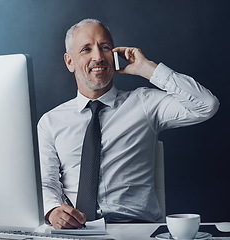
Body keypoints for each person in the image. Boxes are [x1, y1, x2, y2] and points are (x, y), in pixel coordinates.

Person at [37, 18, 219, 229]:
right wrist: (52, 211)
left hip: (137, 229)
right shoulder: (51, 122)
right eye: (86, 49)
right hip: (77, 230)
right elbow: (46, 182)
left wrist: (147, 69)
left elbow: (206, 105)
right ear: (70, 62)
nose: (98, 56)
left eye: (104, 47)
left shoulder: (144, 103)